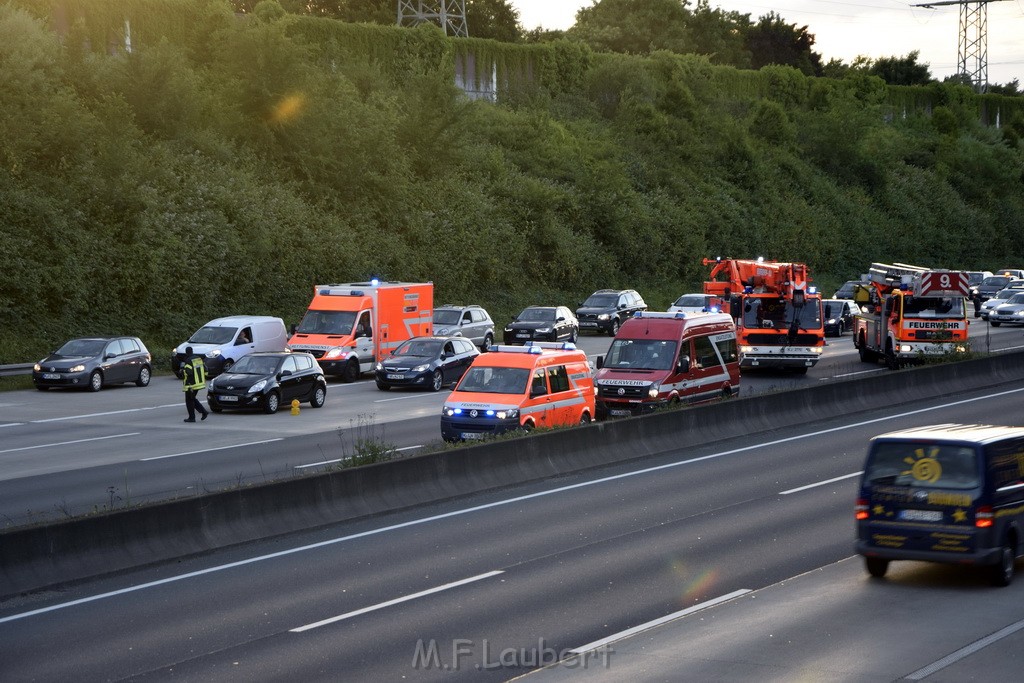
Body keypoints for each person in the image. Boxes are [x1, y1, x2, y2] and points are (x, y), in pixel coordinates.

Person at [181, 346, 209, 423]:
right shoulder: (199, 358)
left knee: (189, 401)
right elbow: (206, 370)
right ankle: (204, 412)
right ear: (192, 351)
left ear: (186, 352)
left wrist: (182, 372)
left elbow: (188, 372)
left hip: (191, 385)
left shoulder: (188, 360)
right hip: (199, 383)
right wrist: (203, 378)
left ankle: (192, 417)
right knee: (192, 398)